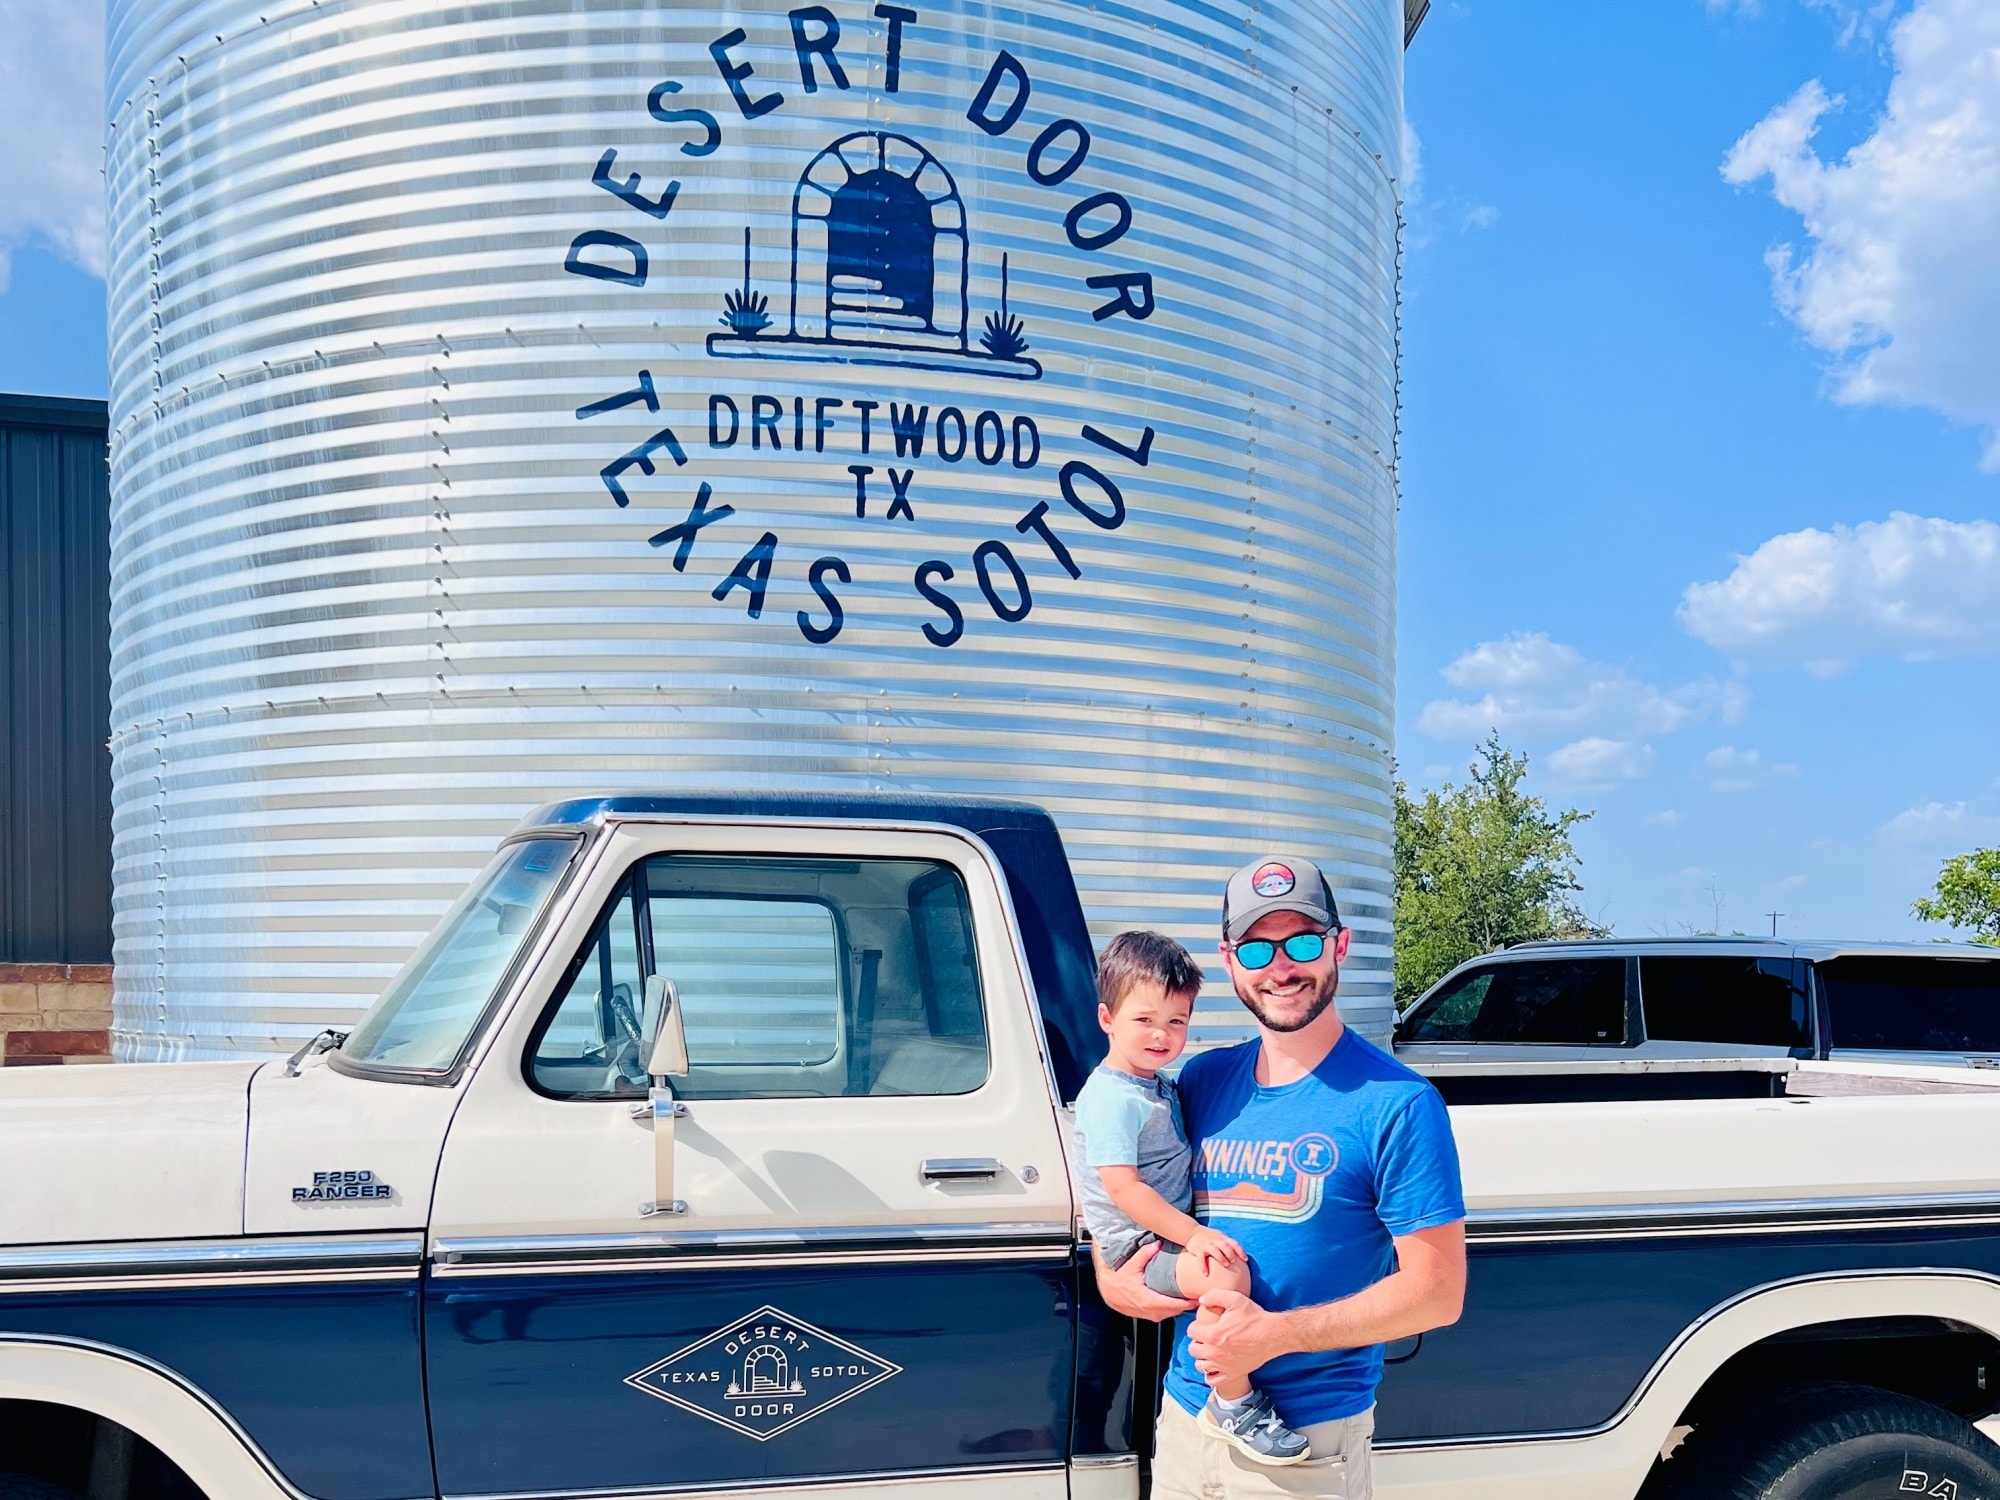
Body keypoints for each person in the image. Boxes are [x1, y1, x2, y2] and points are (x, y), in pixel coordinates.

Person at [1094, 855, 1467, 1500]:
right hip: (1187, 1424)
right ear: (1230, 959)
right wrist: (1111, 1278)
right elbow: (1120, 1185)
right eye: (1257, 948)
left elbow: (1437, 1294)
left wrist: (1271, 1337)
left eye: (1301, 941)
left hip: (1303, 1447)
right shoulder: (1201, 1082)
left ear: (1339, 946)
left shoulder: (1397, 1103)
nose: (1281, 967)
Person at [1072, 931, 1313, 1465]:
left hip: (1159, 1231)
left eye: (1177, 1022)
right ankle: (1233, 1399)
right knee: (1224, 1274)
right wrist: (1194, 1235)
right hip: (1140, 1244)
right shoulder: (1113, 1098)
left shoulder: (1152, 1084)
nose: (1162, 1034)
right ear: (1107, 1019)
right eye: (1145, 1020)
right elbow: (1122, 1188)